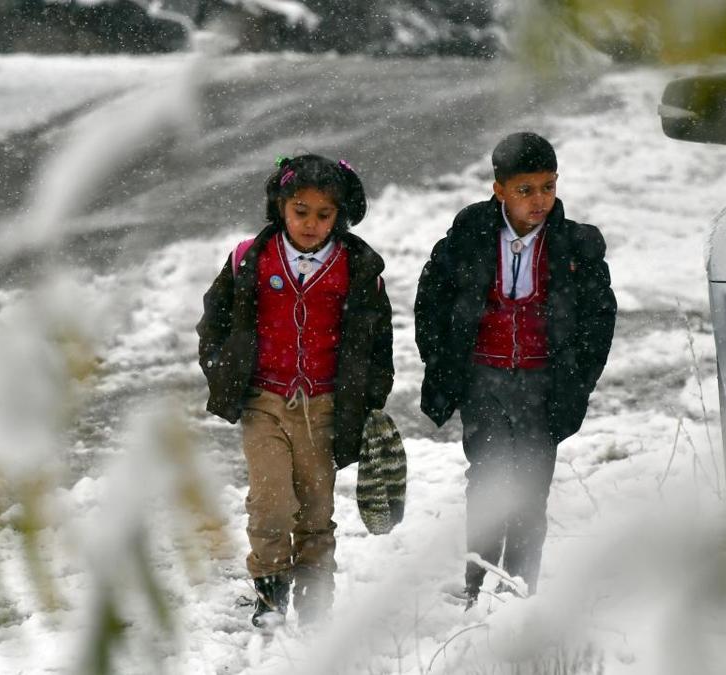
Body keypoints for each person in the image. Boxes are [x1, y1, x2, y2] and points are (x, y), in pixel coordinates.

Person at [414, 132, 616, 606]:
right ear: (498, 189)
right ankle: (475, 583)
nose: (539, 200)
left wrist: (576, 381)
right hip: (483, 382)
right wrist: (443, 364)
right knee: (485, 482)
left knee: (530, 490)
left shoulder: (574, 245)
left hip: (542, 386)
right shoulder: (469, 237)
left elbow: (598, 318)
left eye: (548, 187)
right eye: (525, 190)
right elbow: (432, 300)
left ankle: (518, 589)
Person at [197, 154, 394, 627]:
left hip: (325, 407)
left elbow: (378, 342)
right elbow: (214, 323)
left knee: (315, 509)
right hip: (264, 401)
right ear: (280, 206)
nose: (311, 223)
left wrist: (369, 399)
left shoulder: (357, 268)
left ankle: (315, 601)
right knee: (270, 505)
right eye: (300, 210)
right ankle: (270, 593)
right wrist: (223, 371)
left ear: (340, 215)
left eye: (324, 214)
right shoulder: (250, 259)